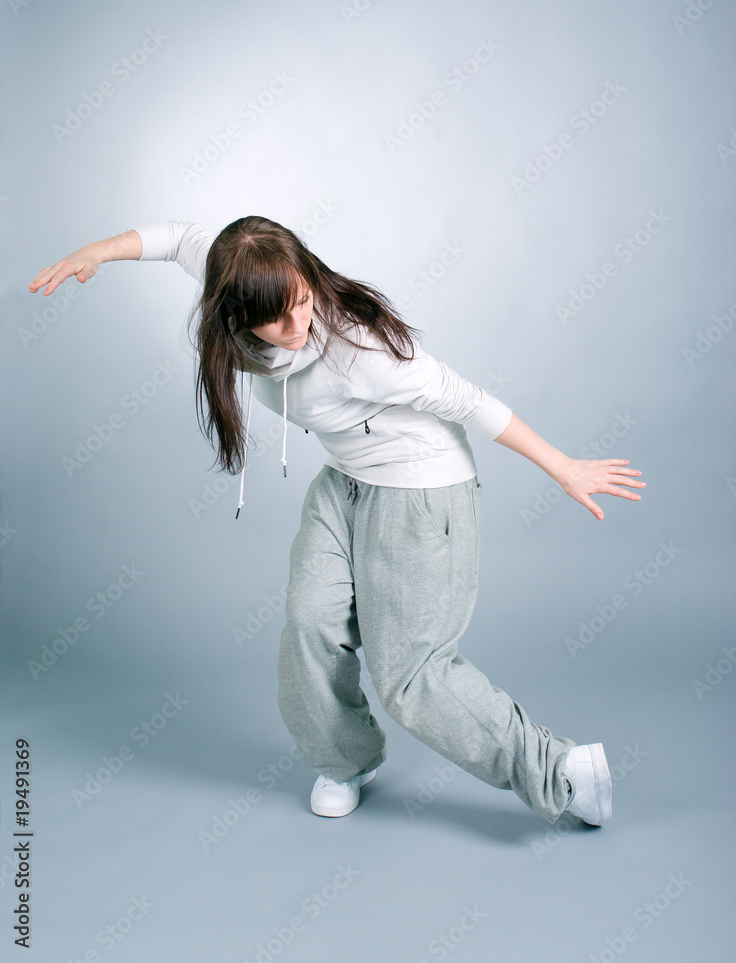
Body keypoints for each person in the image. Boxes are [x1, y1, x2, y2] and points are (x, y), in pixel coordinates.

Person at [29, 216, 645, 827]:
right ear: (234, 312)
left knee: (411, 678)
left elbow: (468, 400)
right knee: (309, 624)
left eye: (302, 301)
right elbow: (172, 238)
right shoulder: (241, 271)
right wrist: (98, 251)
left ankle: (563, 771)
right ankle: (346, 760)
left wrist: (564, 467)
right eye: (277, 318)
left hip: (419, 491)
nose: (299, 325)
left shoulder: (359, 348)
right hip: (344, 484)